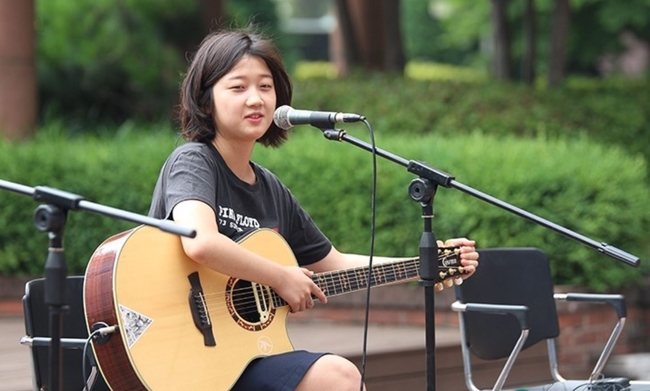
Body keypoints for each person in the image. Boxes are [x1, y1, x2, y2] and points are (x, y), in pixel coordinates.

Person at [148, 26, 479, 391]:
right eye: (238, 87)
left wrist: (424, 264)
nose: (255, 99)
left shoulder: (271, 189)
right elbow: (200, 242)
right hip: (181, 354)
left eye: (265, 86)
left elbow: (335, 264)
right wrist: (280, 276)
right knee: (338, 377)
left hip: (240, 357)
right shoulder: (194, 162)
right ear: (206, 98)